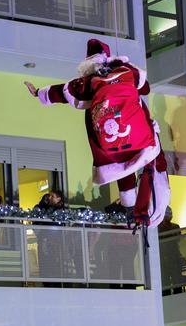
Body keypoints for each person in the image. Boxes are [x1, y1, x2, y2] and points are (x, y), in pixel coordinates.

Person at [24, 39, 170, 228]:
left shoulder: (87, 83)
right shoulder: (127, 72)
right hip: (138, 134)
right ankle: (145, 207)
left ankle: (129, 205)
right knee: (148, 161)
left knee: (119, 167)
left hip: (110, 145)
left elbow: (62, 91)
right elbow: (145, 87)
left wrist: (39, 93)